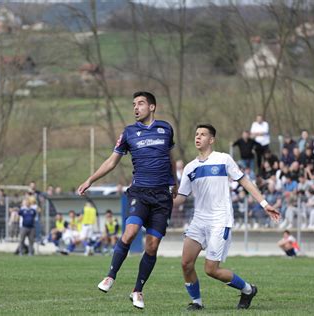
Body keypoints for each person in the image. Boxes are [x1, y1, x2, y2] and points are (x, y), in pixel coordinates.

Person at [77, 91, 177, 309]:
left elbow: (170, 158)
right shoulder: (129, 132)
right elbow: (112, 162)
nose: (136, 108)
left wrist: (175, 183)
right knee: (130, 232)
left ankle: (137, 291)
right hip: (140, 192)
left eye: (140, 103)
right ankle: (110, 276)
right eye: (134, 104)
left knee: (152, 246)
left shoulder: (166, 129)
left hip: (162, 198)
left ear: (152, 107)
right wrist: (90, 179)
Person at [173, 124, 280, 311]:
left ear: (211, 139)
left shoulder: (223, 159)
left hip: (219, 220)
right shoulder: (190, 167)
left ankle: (248, 290)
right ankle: (197, 303)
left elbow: (244, 181)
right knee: (185, 263)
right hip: (199, 221)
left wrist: (264, 204)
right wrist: (159, 202)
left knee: (211, 270)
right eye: (196, 134)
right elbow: (180, 199)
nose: (198, 137)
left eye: (203, 134)